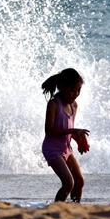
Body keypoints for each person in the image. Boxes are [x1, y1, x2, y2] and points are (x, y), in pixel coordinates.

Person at [41, 68, 90, 202]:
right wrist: (73, 131)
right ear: (62, 87)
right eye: (72, 90)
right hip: (52, 149)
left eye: (78, 90)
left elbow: (68, 129)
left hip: (66, 149)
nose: (75, 94)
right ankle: (57, 209)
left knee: (79, 181)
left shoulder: (74, 105)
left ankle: (75, 207)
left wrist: (79, 140)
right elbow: (49, 131)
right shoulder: (53, 104)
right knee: (68, 183)